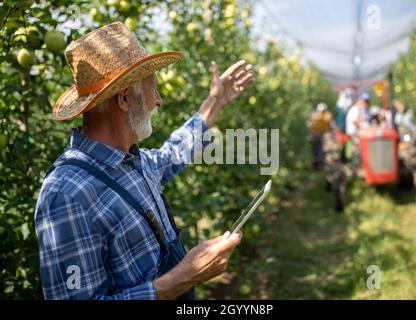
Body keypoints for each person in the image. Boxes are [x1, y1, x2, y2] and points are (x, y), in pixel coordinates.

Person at [34, 22, 254, 300]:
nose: (159, 101)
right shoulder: (68, 195)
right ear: (126, 99)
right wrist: (183, 276)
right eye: (154, 89)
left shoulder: (134, 163)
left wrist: (215, 102)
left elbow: (174, 152)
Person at [308, 102, 333, 169]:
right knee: (315, 151)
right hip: (316, 135)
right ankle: (315, 165)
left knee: (322, 151)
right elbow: (310, 126)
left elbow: (331, 126)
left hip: (324, 135)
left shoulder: (327, 116)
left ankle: (321, 165)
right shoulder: (314, 116)